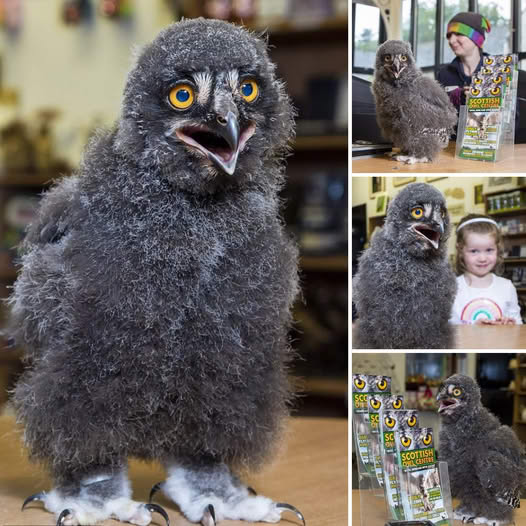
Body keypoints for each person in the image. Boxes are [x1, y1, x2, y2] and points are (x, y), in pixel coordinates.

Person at [450, 214, 522, 325]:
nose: (482, 258)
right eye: (474, 251)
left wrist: (511, 324)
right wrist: (474, 328)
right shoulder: (450, 289)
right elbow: (445, 331)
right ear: (460, 250)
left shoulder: (507, 287)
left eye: (489, 250)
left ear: (498, 249)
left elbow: (518, 325)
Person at [437, 12, 492, 110]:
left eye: (459, 34)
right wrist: (459, 99)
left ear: (476, 39)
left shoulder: (496, 70)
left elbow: (513, 118)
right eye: (449, 35)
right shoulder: (444, 75)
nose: (451, 40)